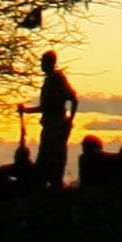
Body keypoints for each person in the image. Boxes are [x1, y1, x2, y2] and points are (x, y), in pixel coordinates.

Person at [35, 49, 79, 188]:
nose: (41, 65)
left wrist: (69, 121)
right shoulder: (50, 80)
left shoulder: (57, 79)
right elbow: (44, 107)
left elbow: (73, 99)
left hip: (56, 130)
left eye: (43, 61)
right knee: (43, 166)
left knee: (53, 164)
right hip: (50, 128)